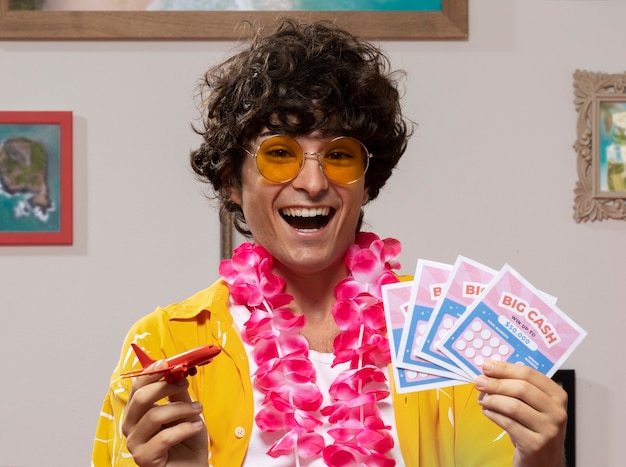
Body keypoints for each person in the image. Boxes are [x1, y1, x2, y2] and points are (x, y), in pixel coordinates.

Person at [92, 18, 568, 467]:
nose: (314, 183)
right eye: (280, 153)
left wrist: (541, 460)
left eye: (339, 154)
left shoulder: (447, 335)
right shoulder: (162, 344)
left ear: (366, 182)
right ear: (232, 182)